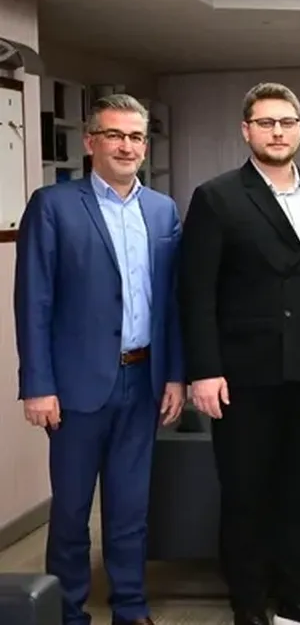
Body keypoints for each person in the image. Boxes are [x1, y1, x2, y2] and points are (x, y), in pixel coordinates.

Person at [178, 82, 300, 625]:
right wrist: (204, 370)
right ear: (247, 130)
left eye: (286, 122)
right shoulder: (217, 197)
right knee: (246, 493)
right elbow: (196, 292)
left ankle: (297, 596)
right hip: (244, 374)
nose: (277, 132)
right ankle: (249, 603)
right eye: (266, 123)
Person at [14, 93, 185, 625]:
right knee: (70, 513)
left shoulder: (162, 210)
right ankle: (68, 613)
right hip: (75, 387)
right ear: (91, 142)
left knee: (130, 509)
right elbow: (33, 301)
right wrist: (37, 385)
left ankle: (131, 608)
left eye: (135, 137)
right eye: (115, 135)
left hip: (144, 379)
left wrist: (175, 375)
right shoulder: (53, 206)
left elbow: (172, 303)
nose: (126, 146)